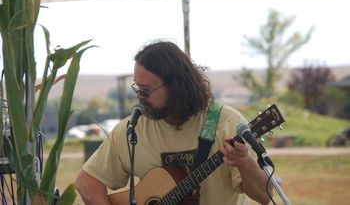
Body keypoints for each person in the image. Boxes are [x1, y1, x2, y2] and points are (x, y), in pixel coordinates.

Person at [75, 41, 272, 205]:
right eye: (137, 87)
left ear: (177, 86)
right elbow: (87, 181)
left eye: (145, 90)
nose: (139, 96)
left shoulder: (227, 123)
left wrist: (245, 163)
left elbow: (264, 195)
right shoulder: (133, 129)